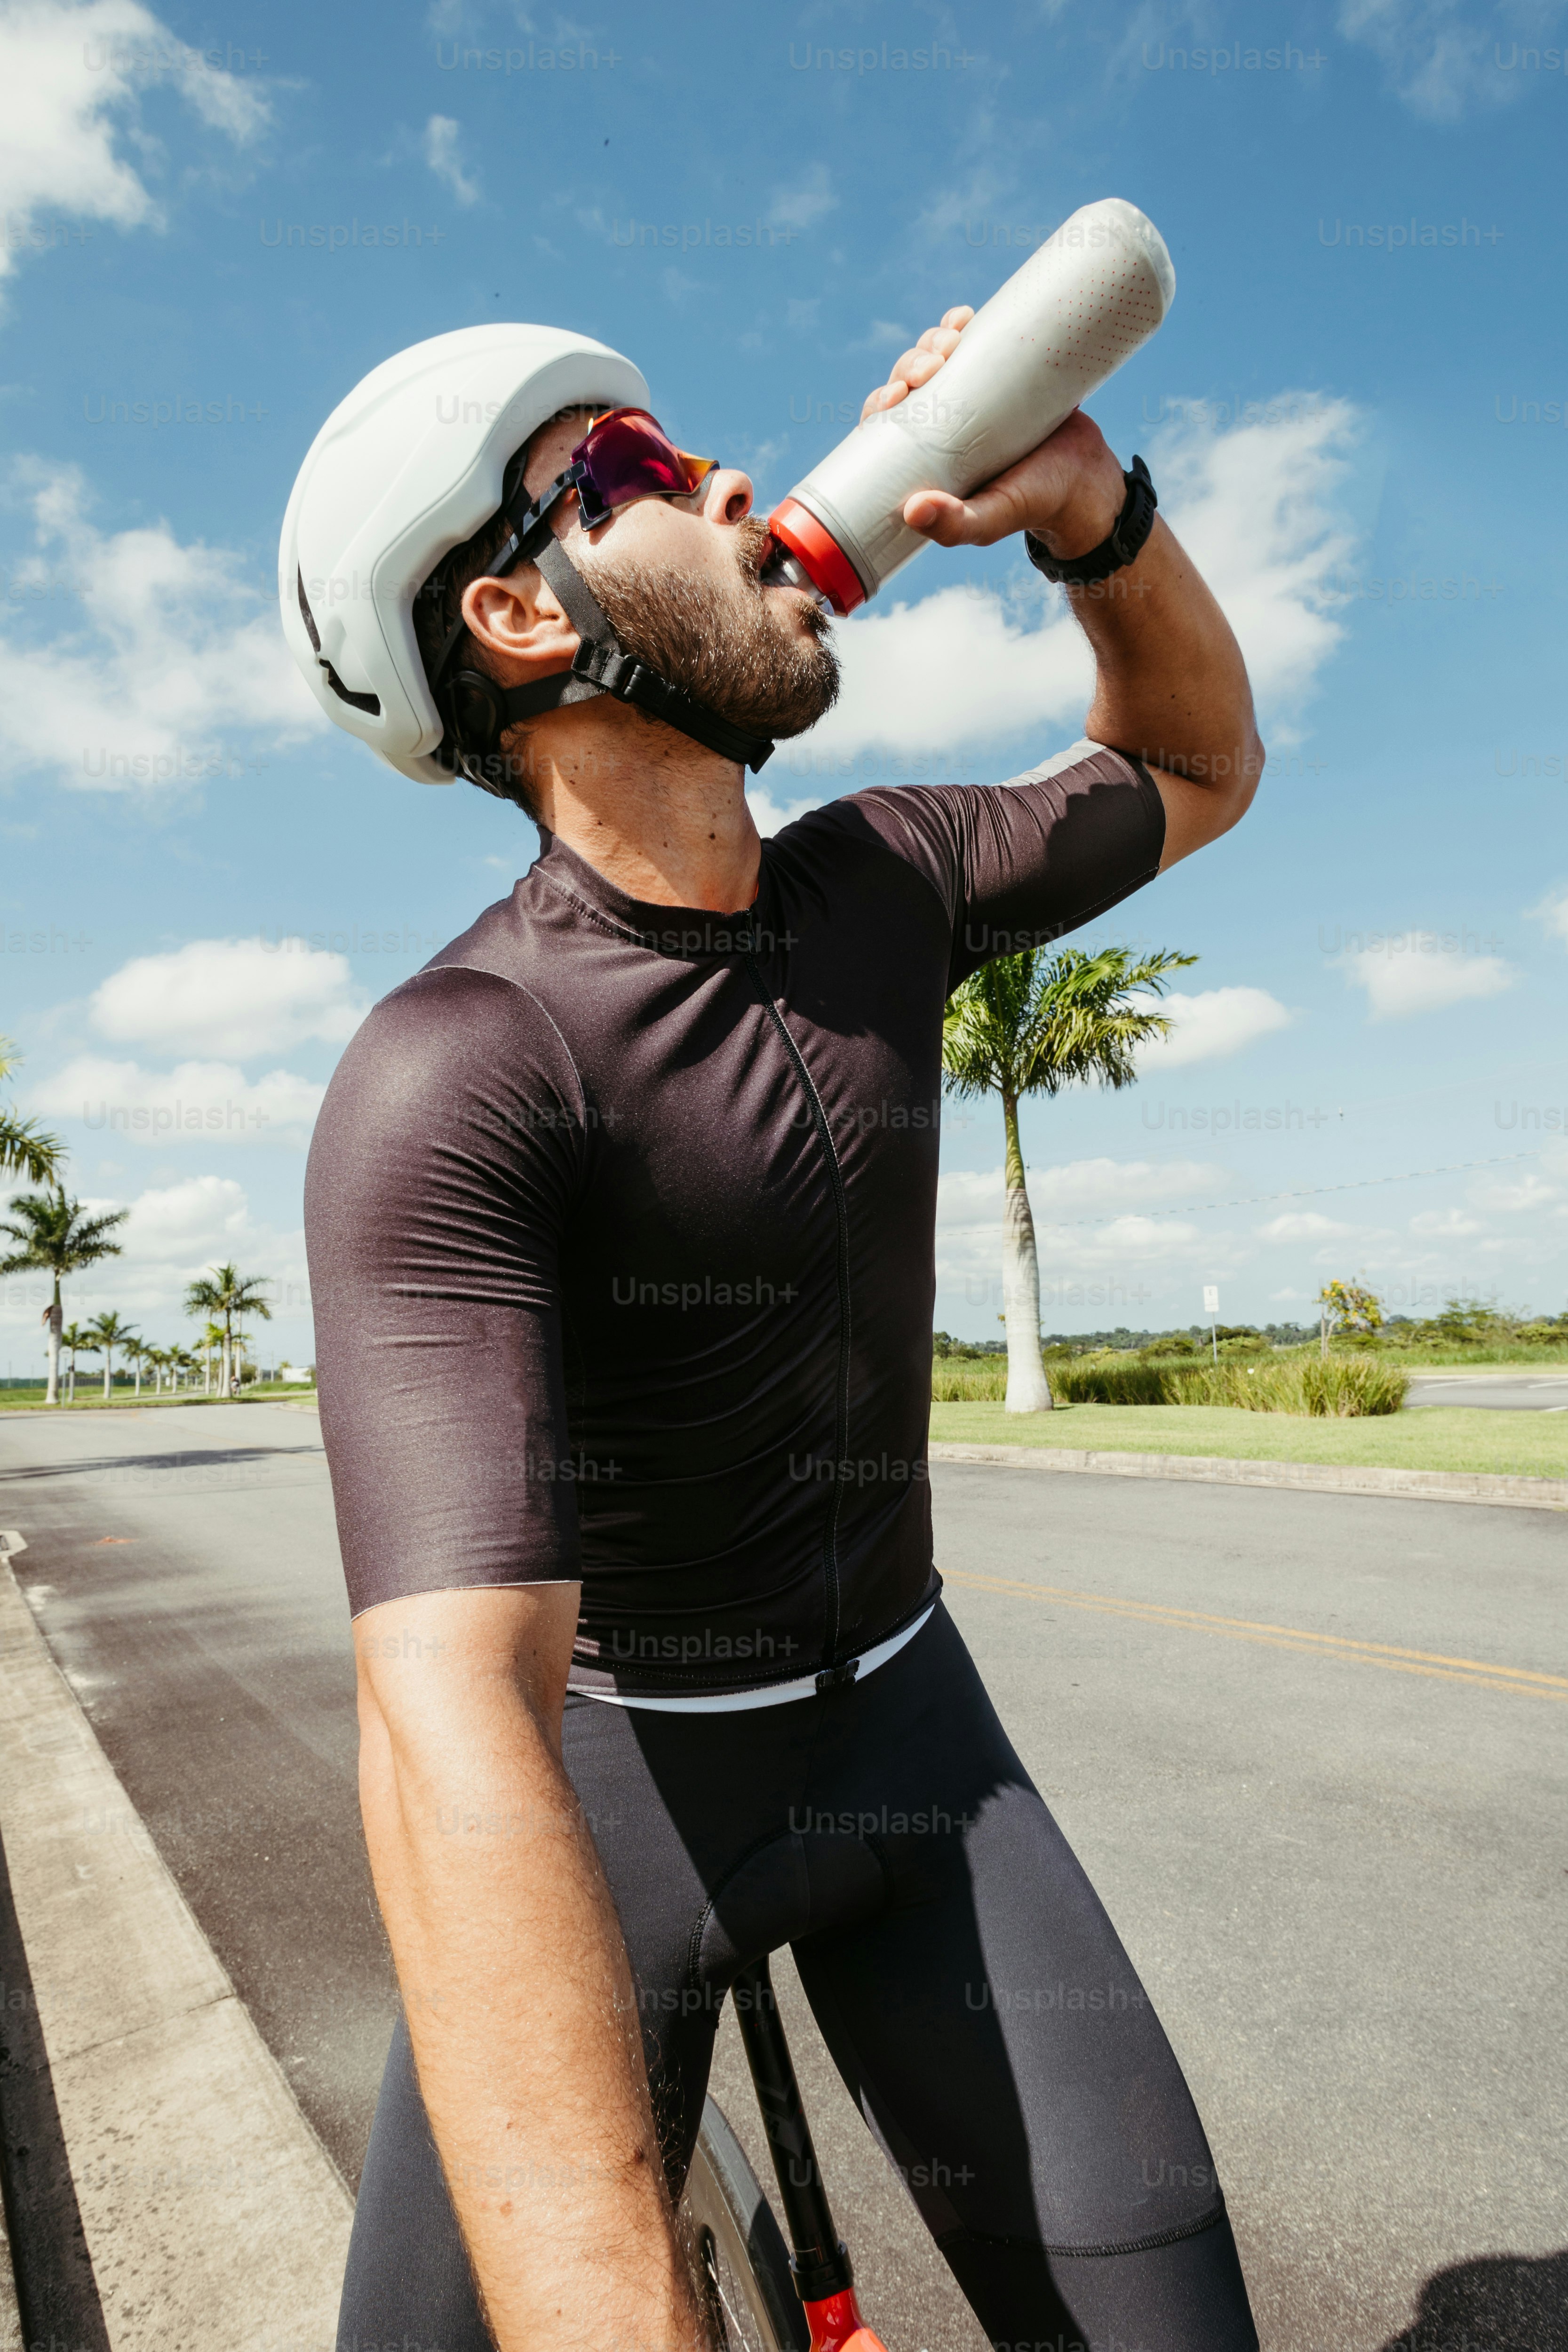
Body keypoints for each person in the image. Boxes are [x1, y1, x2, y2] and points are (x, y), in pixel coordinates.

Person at [290, 306, 1264, 2352]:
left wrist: (1099, 522)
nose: (730, 479)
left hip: (921, 1739)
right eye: (635, 470)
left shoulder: (889, 876)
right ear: (518, 616)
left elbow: (1195, 759)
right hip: (616, 1791)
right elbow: (449, 1707)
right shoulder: (458, 1066)